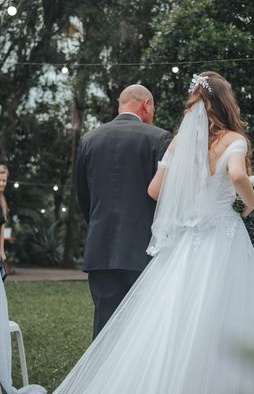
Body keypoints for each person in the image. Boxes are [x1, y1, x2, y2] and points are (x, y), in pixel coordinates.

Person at [54, 72, 254, 393]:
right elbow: (238, 175)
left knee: (156, 321)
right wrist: (251, 203)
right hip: (217, 237)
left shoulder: (176, 141)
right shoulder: (227, 139)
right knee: (227, 311)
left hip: (163, 243)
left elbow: (153, 190)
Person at [75, 84, 172, 338]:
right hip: (144, 248)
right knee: (144, 329)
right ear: (146, 105)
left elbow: (83, 196)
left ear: (121, 105)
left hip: (101, 247)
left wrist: (99, 225)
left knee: (105, 327)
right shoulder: (160, 138)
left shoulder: (89, 139)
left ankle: (99, 378)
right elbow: (166, 197)